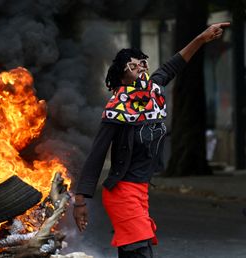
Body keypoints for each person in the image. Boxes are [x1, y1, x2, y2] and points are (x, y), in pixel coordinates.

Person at [73, 22, 230, 258]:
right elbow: (96, 155)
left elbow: (174, 64)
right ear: (122, 73)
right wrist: (80, 201)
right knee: (140, 251)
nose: (141, 66)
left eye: (142, 62)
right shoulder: (117, 109)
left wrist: (201, 38)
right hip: (122, 193)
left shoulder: (154, 91)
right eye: (133, 64)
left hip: (141, 191)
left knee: (133, 252)